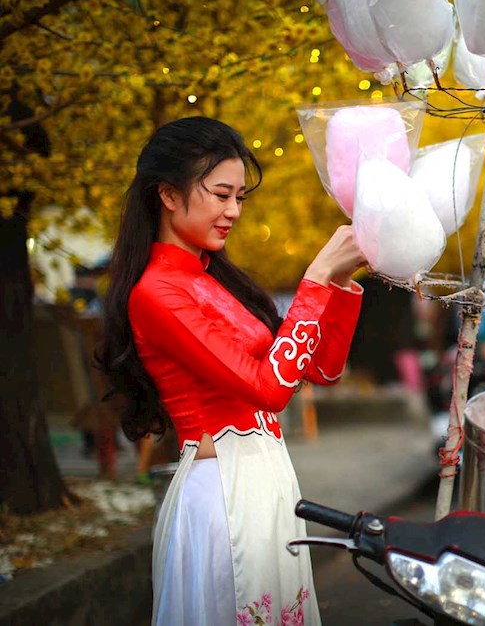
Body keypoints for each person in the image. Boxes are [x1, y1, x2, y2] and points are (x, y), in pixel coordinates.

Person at [99, 117, 366, 626]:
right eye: (222, 195)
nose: (234, 211)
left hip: (267, 479)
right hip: (222, 495)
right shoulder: (157, 293)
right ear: (168, 195)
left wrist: (340, 282)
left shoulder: (216, 281)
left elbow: (322, 369)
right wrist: (314, 277)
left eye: (239, 197)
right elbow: (269, 389)